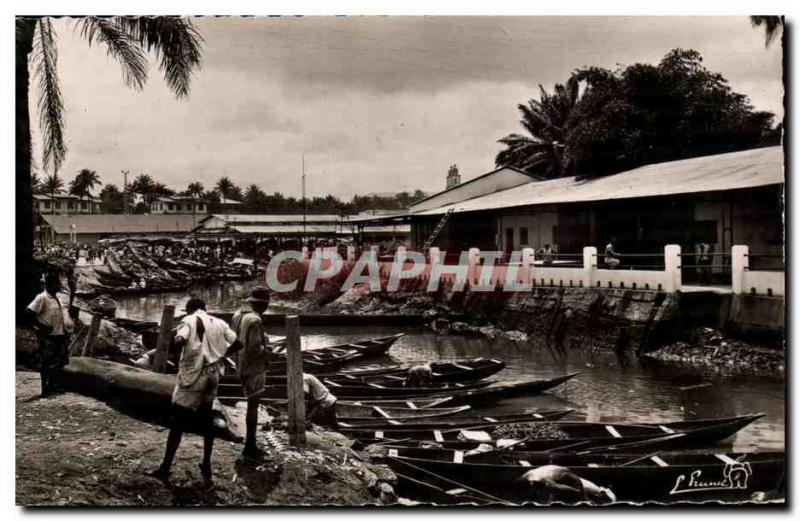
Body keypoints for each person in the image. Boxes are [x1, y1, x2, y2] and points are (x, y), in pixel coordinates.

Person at [147, 298, 241, 487]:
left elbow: (180, 339)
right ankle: (206, 465)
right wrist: (222, 356)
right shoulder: (220, 322)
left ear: (190, 309)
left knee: (177, 421)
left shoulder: (189, 320)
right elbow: (238, 343)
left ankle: (165, 468)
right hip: (214, 374)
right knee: (207, 420)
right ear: (205, 309)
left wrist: (175, 351)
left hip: (195, 376)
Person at [231, 286, 273, 458]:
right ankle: (250, 445)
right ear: (263, 305)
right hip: (253, 367)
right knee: (253, 405)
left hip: (239, 364)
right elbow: (255, 349)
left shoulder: (237, 315)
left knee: (251, 403)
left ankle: (250, 444)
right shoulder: (255, 320)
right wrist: (268, 348)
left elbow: (233, 340)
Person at [25, 272, 70, 397]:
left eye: (58, 283)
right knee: (46, 361)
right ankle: (45, 388)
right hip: (47, 336)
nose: (58, 286)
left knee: (59, 361)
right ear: (49, 284)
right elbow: (28, 313)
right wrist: (40, 327)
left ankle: (53, 385)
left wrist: (65, 330)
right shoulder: (42, 297)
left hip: (59, 334)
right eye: (55, 283)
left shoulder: (57, 298)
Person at [517, 465, 616, 504]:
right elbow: (554, 487)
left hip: (560, 475)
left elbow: (576, 482)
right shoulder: (535, 479)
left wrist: (584, 497)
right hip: (556, 476)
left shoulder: (537, 478)